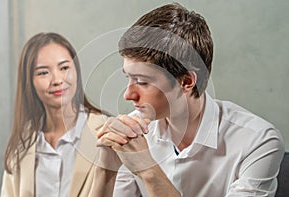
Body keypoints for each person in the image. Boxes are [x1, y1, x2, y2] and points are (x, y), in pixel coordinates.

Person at [97, 3, 285, 196]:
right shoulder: (133, 133)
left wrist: (148, 170)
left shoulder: (258, 141)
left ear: (186, 82)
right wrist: (105, 168)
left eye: (142, 82)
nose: (128, 95)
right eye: (128, 78)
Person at [0, 32, 108, 197]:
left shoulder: (106, 132)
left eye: (64, 68)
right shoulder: (22, 142)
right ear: (29, 81)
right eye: (43, 73)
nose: (57, 80)